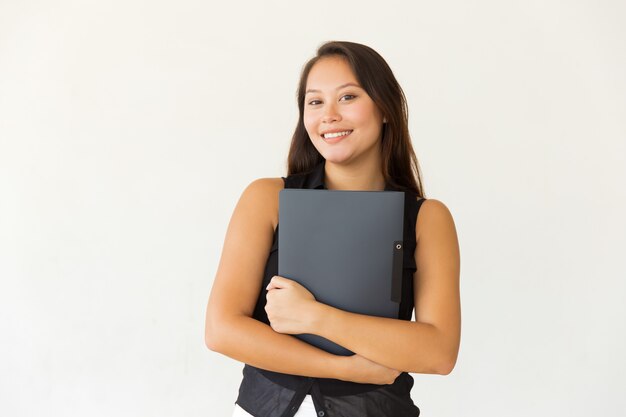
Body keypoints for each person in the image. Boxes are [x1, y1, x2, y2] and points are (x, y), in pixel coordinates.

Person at [205, 40, 461, 417]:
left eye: (347, 97)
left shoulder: (427, 218)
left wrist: (315, 317)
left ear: (385, 108)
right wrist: (345, 368)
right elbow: (221, 330)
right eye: (315, 101)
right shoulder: (266, 198)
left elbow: (439, 352)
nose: (328, 115)